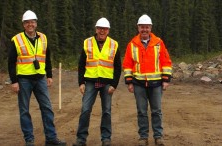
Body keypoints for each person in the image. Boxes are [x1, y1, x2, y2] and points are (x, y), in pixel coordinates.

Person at [8, 10, 66, 146]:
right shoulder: (17, 40)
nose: (30, 24)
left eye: (32, 22)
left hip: (40, 78)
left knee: (47, 108)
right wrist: (14, 81)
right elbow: (11, 62)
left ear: (36, 23)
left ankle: (51, 138)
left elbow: (47, 57)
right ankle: (29, 140)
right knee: (24, 110)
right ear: (23, 24)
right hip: (23, 79)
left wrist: (49, 75)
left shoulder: (43, 38)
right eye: (27, 22)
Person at [122, 14, 172, 146]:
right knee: (141, 111)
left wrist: (166, 80)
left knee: (156, 111)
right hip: (138, 83)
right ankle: (143, 137)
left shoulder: (159, 43)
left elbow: (166, 62)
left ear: (150, 28)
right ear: (138, 28)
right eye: (142, 27)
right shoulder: (132, 44)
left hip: (156, 84)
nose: (144, 29)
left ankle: (158, 136)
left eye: (147, 27)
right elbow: (127, 64)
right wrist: (129, 82)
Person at [73, 17, 121, 146]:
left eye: (104, 29)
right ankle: (81, 139)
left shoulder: (114, 44)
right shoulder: (87, 43)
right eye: (100, 28)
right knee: (85, 109)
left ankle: (106, 138)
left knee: (106, 111)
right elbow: (81, 64)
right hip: (90, 82)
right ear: (96, 29)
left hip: (107, 83)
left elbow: (117, 67)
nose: (102, 31)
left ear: (108, 30)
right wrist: (81, 82)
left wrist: (114, 84)